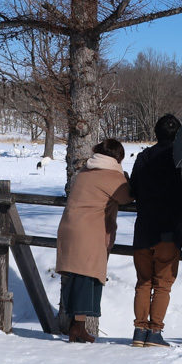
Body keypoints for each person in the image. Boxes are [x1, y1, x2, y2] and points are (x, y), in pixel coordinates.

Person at [54, 138, 133, 343]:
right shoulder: (110, 175)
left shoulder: (87, 170)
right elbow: (126, 197)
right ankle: (76, 328)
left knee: (80, 275)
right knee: (85, 276)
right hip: (87, 230)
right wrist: (126, 178)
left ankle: (77, 326)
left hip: (71, 226)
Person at [128, 114, 182, 348]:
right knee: (163, 283)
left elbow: (133, 189)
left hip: (144, 228)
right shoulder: (181, 159)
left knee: (143, 281)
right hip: (168, 230)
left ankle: (139, 331)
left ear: (156, 133)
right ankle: (154, 332)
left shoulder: (143, 157)